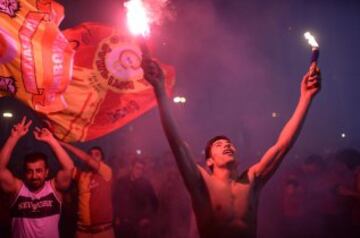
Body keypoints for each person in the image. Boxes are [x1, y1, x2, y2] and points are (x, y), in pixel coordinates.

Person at [141, 57, 321, 238]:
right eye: (219, 145)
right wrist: (160, 90)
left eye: (229, 144)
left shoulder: (252, 180)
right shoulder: (201, 184)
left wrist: (305, 98)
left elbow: (282, 146)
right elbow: (177, 144)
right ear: (209, 160)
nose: (227, 146)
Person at [0, 117, 74, 238]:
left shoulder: (54, 188)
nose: (34, 176)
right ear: (24, 173)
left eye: (39, 171)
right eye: (30, 171)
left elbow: (69, 168)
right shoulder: (18, 188)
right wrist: (13, 138)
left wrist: (51, 140)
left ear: (46, 172)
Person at [60, 142, 115, 238]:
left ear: (102, 159)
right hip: (82, 232)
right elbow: (67, 165)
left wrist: (64, 144)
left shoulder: (106, 172)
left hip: (103, 232)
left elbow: (87, 159)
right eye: (91, 154)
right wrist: (55, 142)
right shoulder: (83, 176)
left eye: (97, 154)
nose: (93, 156)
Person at [114, 159, 159, 238]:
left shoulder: (146, 184)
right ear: (131, 167)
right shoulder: (122, 182)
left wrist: (147, 218)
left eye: (142, 169)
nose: (139, 171)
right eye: (137, 168)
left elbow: (155, 203)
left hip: (138, 225)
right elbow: (115, 199)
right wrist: (116, 216)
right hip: (123, 223)